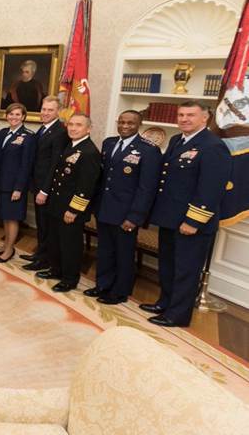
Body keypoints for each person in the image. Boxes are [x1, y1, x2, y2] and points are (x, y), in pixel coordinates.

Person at [141, 101, 231, 327]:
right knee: (168, 266)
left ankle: (178, 315)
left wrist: (193, 221)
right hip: (170, 218)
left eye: (190, 115)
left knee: (186, 270)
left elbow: (211, 189)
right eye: (181, 115)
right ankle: (165, 303)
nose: (184, 119)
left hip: (191, 222)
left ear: (205, 118)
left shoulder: (213, 146)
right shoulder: (177, 140)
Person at [85, 110, 161, 304]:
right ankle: (102, 285)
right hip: (104, 208)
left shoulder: (149, 150)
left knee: (124, 254)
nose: (125, 126)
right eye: (122, 122)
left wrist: (135, 216)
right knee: (104, 250)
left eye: (130, 123)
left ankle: (120, 292)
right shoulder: (109, 143)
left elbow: (147, 188)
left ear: (139, 125)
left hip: (126, 213)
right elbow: (104, 177)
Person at [36, 114, 100, 292]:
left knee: (70, 245)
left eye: (78, 125)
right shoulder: (71, 146)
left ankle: (70, 279)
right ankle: (56, 270)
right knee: (56, 241)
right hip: (57, 204)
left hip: (71, 209)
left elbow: (86, 187)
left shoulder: (89, 152)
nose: (73, 128)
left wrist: (74, 210)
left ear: (88, 129)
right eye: (70, 124)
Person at [21, 96, 70, 270]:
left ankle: (44, 260)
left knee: (47, 226)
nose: (45, 113)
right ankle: (40, 254)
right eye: (44, 109)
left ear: (58, 111)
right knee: (41, 224)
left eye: (50, 110)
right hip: (38, 185)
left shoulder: (60, 132)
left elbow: (55, 165)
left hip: (46, 188)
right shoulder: (44, 128)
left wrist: (45, 190)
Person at [0, 103, 35, 262]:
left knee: (13, 218)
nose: (14, 117)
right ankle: (5, 245)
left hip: (15, 185)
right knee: (5, 216)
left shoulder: (28, 136)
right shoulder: (3, 133)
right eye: (11, 114)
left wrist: (19, 188)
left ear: (23, 117)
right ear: (7, 116)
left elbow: (26, 165)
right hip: (2, 184)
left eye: (17, 114)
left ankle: (9, 249)